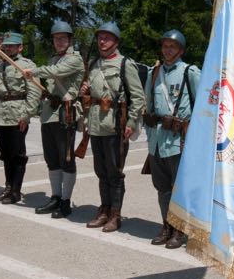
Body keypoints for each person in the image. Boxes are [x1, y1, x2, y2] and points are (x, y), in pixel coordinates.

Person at [80, 22, 145, 232]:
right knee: (101, 171)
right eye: (100, 37)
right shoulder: (93, 64)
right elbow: (91, 95)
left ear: (116, 42)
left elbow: (138, 97)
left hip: (116, 126)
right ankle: (104, 210)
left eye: (107, 38)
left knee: (115, 173)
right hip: (97, 124)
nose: (102, 41)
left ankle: (115, 215)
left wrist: (132, 122)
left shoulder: (125, 64)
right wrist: (85, 91)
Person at [142, 29, 201, 249]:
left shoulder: (190, 72)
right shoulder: (153, 73)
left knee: (180, 188)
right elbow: (148, 103)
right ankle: (166, 225)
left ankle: (180, 229)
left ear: (181, 50)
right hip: (157, 139)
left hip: (179, 140)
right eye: (165, 46)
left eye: (172, 46)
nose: (167, 50)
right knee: (162, 187)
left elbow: (204, 106)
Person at [23, 20, 84, 218]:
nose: (59, 41)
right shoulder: (52, 59)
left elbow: (56, 73)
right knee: (52, 160)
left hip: (65, 115)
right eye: (56, 38)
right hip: (49, 114)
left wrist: (34, 71)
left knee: (66, 159)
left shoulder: (74, 59)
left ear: (70, 39)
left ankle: (66, 201)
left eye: (63, 38)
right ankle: (56, 196)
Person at [0, 32, 41, 204]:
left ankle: (15, 191)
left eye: (12, 45)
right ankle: (7, 187)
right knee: (5, 154)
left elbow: (34, 92)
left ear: (20, 47)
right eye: (6, 45)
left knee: (17, 155)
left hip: (17, 114)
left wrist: (27, 115)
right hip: (0, 115)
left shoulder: (26, 65)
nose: (8, 48)